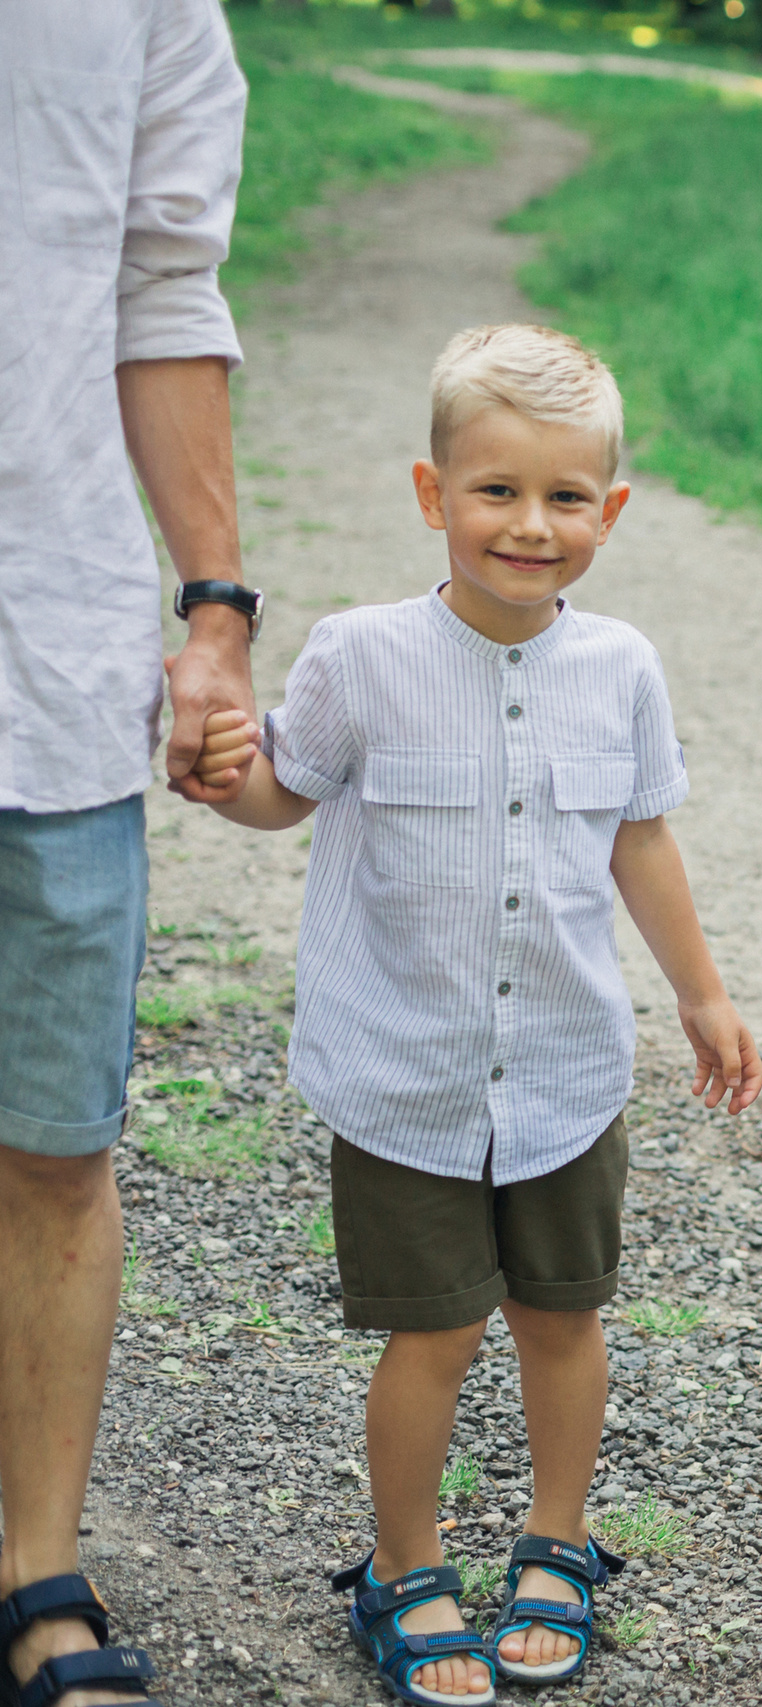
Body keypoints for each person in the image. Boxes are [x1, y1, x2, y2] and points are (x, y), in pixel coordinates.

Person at [187, 325, 762, 1707]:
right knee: (433, 1334)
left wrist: (701, 988)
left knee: (564, 1315)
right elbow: (290, 789)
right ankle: (407, 1564)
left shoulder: (621, 667)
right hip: (404, 1071)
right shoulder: (362, 656)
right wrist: (231, 771)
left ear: (609, 514)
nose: (530, 523)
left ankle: (558, 1543)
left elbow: (641, 839)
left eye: (567, 496)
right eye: (496, 489)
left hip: (567, 1067)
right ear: (430, 492)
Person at [0, 4, 256, 1704]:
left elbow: (163, 284)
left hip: (43, 653)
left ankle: (35, 1567)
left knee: (50, 1139)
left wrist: (218, 608)